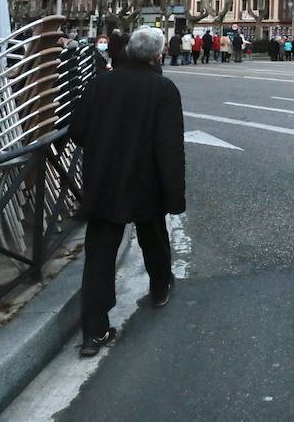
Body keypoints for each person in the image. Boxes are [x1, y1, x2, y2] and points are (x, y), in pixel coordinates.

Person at [70, 27, 185, 357]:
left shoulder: (101, 83)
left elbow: (78, 130)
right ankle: (160, 287)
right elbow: (169, 148)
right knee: (153, 235)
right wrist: (174, 194)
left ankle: (94, 330)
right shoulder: (163, 89)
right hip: (145, 181)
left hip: (104, 180)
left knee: (100, 253)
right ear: (157, 55)